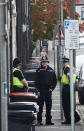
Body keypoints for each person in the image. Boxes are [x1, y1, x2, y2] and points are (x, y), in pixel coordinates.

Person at [36, 55, 57, 125]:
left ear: (48, 62)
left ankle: (48, 121)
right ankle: (39, 121)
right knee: (40, 107)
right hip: (41, 90)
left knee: (48, 106)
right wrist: (37, 90)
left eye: (45, 62)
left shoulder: (51, 70)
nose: (44, 63)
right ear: (41, 63)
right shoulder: (38, 70)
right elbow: (36, 82)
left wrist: (52, 88)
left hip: (48, 90)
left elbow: (55, 80)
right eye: (43, 62)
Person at [61, 57, 80, 124]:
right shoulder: (73, 68)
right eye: (63, 62)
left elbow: (68, 75)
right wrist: (73, 85)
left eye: (64, 62)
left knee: (65, 104)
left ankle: (68, 120)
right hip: (71, 88)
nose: (63, 64)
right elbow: (76, 79)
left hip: (67, 87)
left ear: (67, 63)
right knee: (70, 104)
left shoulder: (66, 68)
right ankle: (77, 117)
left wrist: (69, 82)